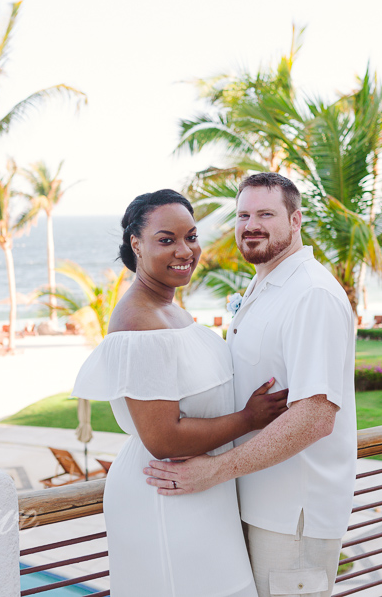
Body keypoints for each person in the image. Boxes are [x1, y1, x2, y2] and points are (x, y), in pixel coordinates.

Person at [144, 173, 357, 597]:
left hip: (292, 515)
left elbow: (315, 416)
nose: (251, 225)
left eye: (266, 214)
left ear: (295, 221)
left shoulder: (311, 294)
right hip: (253, 502)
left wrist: (215, 471)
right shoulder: (267, 283)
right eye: (243, 214)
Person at [71, 188, 289, 597]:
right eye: (166, 240)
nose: (184, 250)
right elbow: (162, 438)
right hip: (165, 497)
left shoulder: (170, 308)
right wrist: (249, 418)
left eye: (191, 236)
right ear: (136, 244)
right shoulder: (139, 323)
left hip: (203, 492)